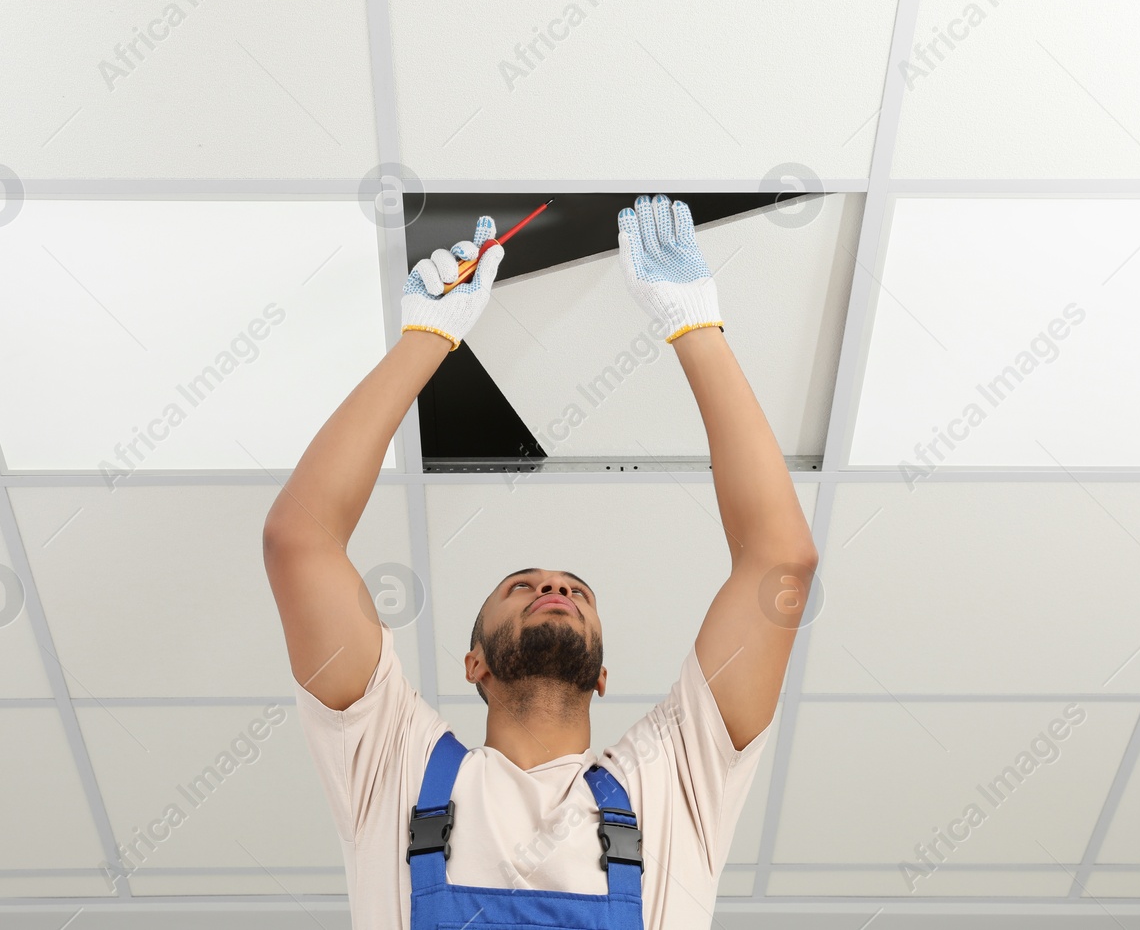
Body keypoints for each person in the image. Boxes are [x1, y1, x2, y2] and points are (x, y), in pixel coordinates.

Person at [262, 194, 820, 930]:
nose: (552, 584)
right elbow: (299, 541)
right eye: (522, 586)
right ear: (473, 664)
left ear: (603, 674)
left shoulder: (673, 775)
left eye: (571, 590)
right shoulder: (391, 759)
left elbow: (781, 560)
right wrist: (426, 338)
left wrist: (697, 324)